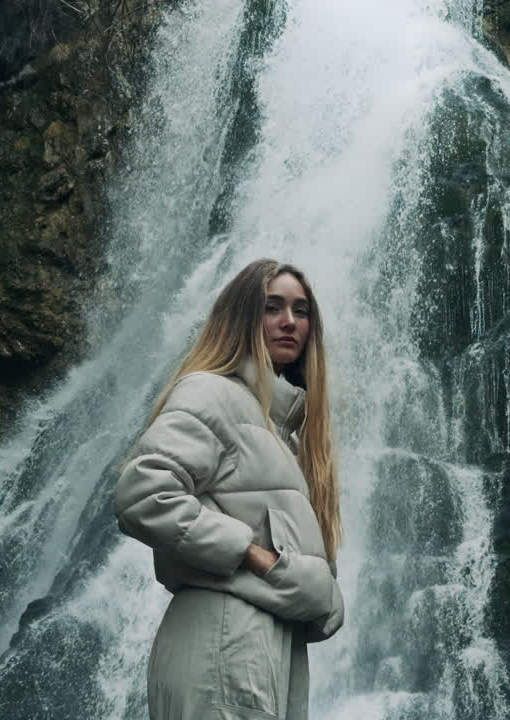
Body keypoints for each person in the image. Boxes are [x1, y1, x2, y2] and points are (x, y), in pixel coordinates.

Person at [114, 258, 345, 720]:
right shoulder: (213, 393)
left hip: (259, 647)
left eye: (302, 312)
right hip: (227, 644)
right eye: (272, 307)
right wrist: (253, 554)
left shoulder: (282, 430)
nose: (289, 322)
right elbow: (143, 492)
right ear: (242, 316)